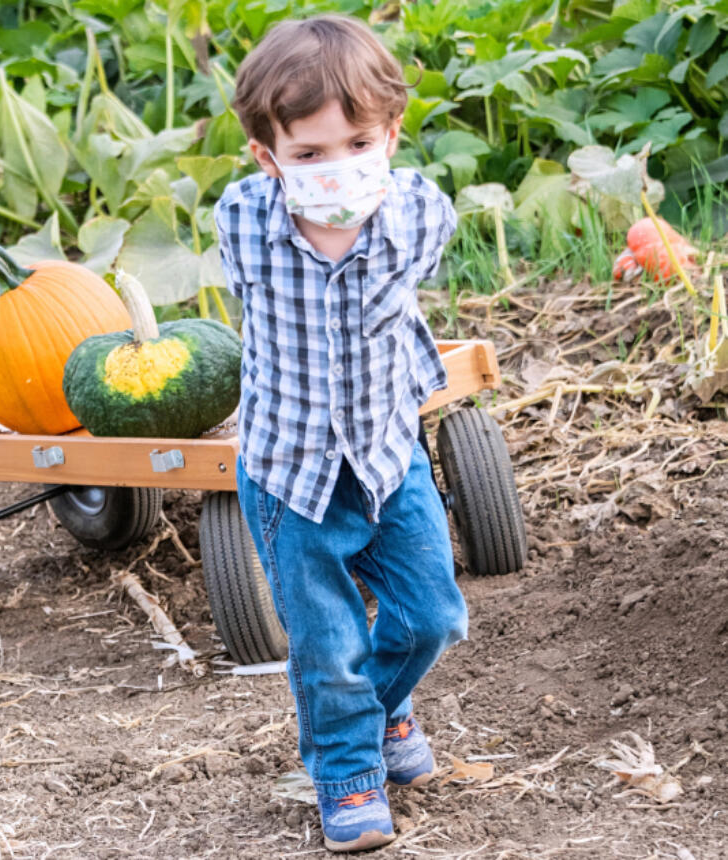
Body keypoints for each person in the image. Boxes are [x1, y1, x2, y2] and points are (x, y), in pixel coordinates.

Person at [214, 14, 469, 853]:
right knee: (327, 643)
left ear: (391, 135)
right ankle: (349, 772)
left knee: (432, 614)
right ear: (268, 159)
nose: (338, 169)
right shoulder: (247, 222)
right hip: (290, 472)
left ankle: (385, 708)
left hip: (388, 454)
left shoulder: (418, 216)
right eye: (310, 155)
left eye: (358, 144)